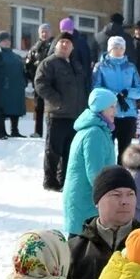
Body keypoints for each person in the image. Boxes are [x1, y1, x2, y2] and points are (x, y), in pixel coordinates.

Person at [68, 166, 140, 279]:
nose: (125, 201)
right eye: (116, 195)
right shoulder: (73, 250)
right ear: (97, 201)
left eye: (130, 194)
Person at [58, 87, 120, 235]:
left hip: (89, 201)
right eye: (111, 107)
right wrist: (110, 197)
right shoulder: (94, 134)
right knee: (82, 250)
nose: (115, 111)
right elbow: (95, 174)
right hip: (85, 202)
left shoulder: (99, 130)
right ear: (101, 108)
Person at [36, 32, 91, 191]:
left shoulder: (76, 65)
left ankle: (65, 180)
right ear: (56, 45)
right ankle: (50, 181)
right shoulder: (49, 63)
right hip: (57, 114)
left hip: (76, 115)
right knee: (54, 150)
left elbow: (83, 87)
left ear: (73, 47)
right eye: (62, 42)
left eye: (68, 43)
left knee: (70, 150)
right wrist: (57, 101)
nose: (65, 45)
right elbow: (40, 84)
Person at [0, 33, 27, 138]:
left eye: (8, 40)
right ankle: (1, 130)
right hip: (3, 86)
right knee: (2, 108)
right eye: (4, 40)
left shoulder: (16, 56)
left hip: (17, 87)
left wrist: (24, 82)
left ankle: (15, 130)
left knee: (16, 108)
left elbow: (23, 70)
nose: (7, 42)